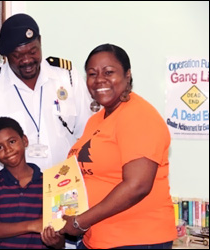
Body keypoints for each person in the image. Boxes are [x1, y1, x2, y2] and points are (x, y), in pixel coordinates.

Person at [0, 13, 92, 249]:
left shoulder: (68, 79)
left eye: (33, 51)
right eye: (18, 55)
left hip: (62, 201)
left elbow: (87, 141)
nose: (28, 60)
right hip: (9, 211)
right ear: (5, 56)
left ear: (40, 43)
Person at [59, 44, 178, 249]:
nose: (99, 80)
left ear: (128, 75)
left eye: (109, 72)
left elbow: (137, 185)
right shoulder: (96, 120)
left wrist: (80, 222)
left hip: (136, 239)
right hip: (97, 238)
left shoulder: (138, 115)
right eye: (92, 73)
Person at [0, 116, 64, 249]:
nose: (8, 150)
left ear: (24, 140)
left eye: (12, 141)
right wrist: (32, 225)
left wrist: (55, 241)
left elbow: (60, 239)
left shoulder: (49, 183)